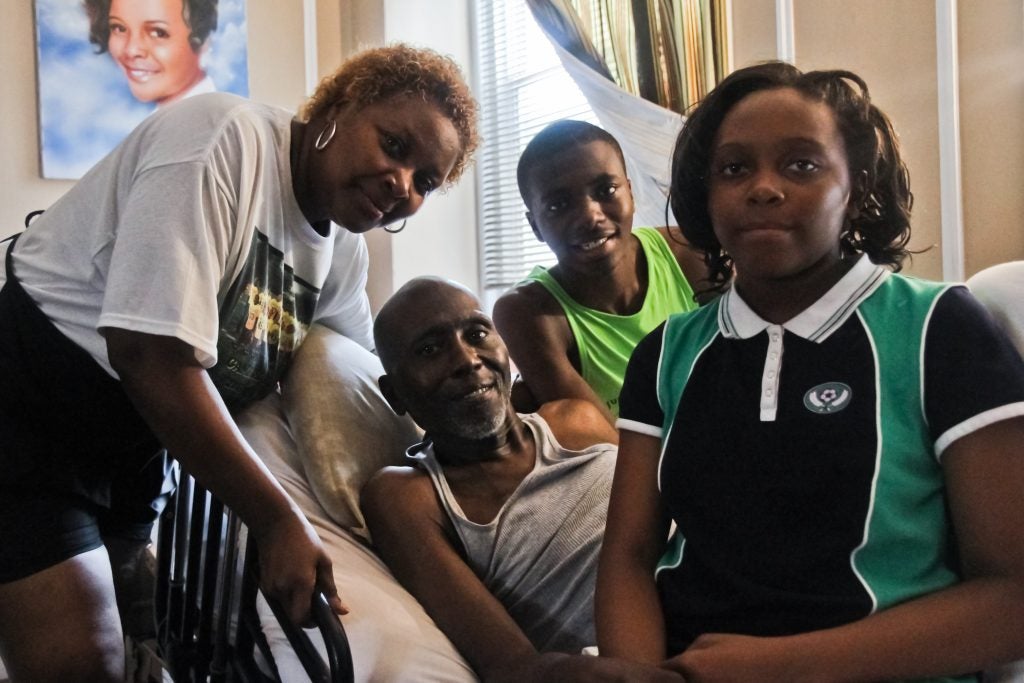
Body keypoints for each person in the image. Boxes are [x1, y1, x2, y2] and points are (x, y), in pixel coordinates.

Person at [0, 44, 478, 682]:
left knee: (136, 647)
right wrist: (276, 518)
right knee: (83, 662)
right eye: (394, 146)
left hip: (136, 443)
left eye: (425, 181)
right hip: (31, 406)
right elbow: (149, 353)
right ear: (340, 105)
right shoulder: (222, 141)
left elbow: (368, 371)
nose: (402, 185)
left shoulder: (339, 253)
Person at [595, 61, 1024, 681]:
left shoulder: (940, 328)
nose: (763, 188)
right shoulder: (665, 354)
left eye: (801, 164)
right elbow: (629, 557)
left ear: (855, 188)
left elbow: (1012, 598)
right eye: (734, 168)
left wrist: (768, 668)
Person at [361, 277, 683, 683]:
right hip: (639, 660)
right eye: (429, 350)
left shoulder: (574, 419)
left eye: (477, 333)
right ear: (395, 395)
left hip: (729, 590)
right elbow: (512, 666)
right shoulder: (409, 497)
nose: (467, 360)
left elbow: (679, 503)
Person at [493, 120, 708, 425]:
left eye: (606, 190)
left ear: (630, 193)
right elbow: (606, 444)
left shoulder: (689, 253)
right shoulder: (528, 311)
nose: (590, 216)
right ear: (535, 227)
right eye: (559, 205)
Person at [84, 0, 218, 107]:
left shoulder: (205, 127)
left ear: (202, 39)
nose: (131, 50)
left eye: (158, 32)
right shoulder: (165, 120)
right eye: (119, 28)